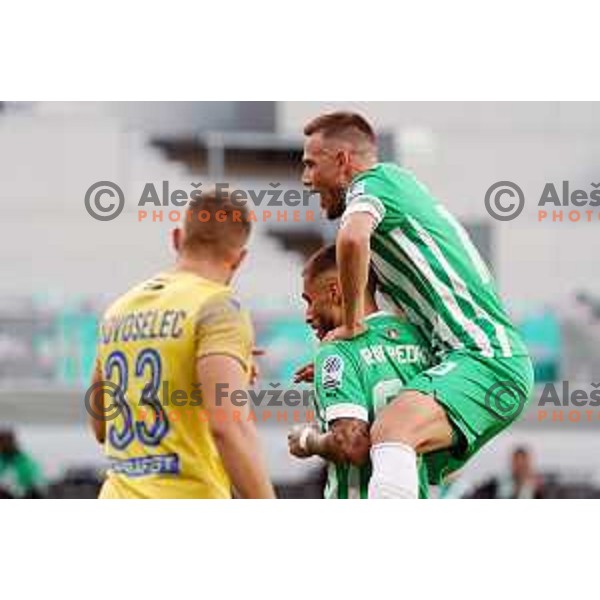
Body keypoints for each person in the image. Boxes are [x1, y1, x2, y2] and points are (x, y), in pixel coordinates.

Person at [300, 111, 534, 498]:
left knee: (390, 433)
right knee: (391, 452)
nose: (305, 179)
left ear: (342, 160)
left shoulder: (375, 183)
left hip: (485, 357)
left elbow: (353, 239)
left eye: (310, 164)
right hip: (470, 362)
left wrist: (352, 327)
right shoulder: (397, 225)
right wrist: (351, 356)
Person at [90, 191, 275, 499]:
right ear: (240, 258)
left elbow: (101, 426)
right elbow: (229, 428)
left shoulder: (118, 310)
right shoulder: (219, 306)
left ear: (177, 239)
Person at [288, 245, 432, 498]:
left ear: (334, 292)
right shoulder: (416, 338)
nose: (308, 316)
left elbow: (352, 445)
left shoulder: (337, 350)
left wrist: (308, 440)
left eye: (310, 301)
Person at [470, 446, 545, 499]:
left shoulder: (538, 487)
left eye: (523, 464)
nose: (520, 468)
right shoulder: (498, 483)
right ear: (512, 463)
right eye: (517, 463)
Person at [0, 429, 44, 498]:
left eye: (9, 440)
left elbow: (36, 481)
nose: (5, 444)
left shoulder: (27, 463)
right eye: (2, 441)